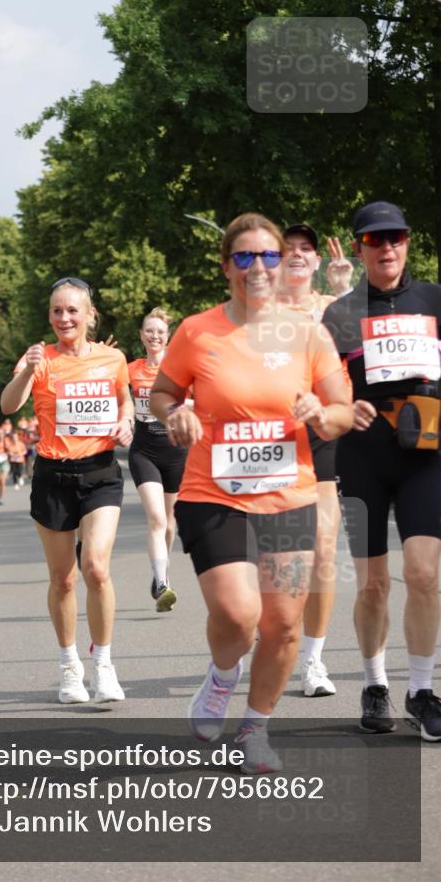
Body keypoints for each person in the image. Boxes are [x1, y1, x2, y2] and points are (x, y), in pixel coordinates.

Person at [150, 213, 352, 772]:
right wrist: (176, 413)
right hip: (214, 494)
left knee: (284, 624)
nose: (258, 266)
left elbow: (339, 410)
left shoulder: (309, 332)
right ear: (226, 267)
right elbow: (162, 394)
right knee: (239, 615)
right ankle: (221, 677)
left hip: (289, 501)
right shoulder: (198, 331)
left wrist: (321, 412)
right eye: (244, 256)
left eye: (268, 255)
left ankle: (255, 727)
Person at [322, 201, 441, 741]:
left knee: (422, 574)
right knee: (372, 585)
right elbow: (321, 386)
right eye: (374, 240)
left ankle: (420, 690)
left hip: (427, 452)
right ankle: (374, 684)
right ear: (359, 248)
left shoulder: (434, 299)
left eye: (395, 237)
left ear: (408, 241)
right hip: (363, 454)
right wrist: (343, 407)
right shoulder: (341, 313)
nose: (387, 247)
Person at [0, 275, 134, 705]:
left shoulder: (113, 358)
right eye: (57, 310)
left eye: (72, 310)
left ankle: (105, 665)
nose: (64, 318)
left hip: (99, 473)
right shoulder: (39, 357)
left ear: (90, 315)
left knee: (95, 567)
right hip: (53, 475)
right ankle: (69, 666)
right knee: (63, 580)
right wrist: (29, 369)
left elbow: (124, 397)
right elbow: (8, 405)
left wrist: (127, 420)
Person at [278, 223, 354, 697]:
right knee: (283, 560)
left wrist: (346, 287)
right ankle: (274, 641)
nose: (300, 255)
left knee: (324, 549)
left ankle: (313, 660)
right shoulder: (260, 310)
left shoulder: (334, 307)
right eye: (290, 250)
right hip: (274, 438)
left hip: (323, 431)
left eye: (308, 249)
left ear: (318, 261)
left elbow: (363, 343)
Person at [128, 307, 188, 612]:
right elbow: (111, 391)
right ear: (142, 335)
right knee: (156, 519)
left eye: (160, 332)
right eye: (149, 331)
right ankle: (162, 583)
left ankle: (161, 572)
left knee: (169, 523)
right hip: (144, 451)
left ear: (167, 338)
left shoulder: (178, 369)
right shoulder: (130, 369)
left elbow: (197, 400)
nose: (154, 336)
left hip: (176, 450)